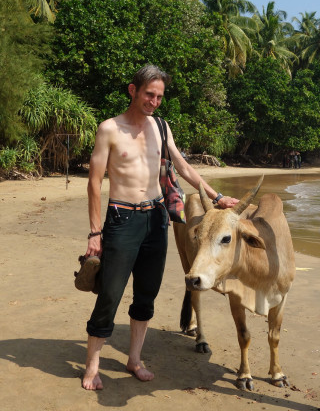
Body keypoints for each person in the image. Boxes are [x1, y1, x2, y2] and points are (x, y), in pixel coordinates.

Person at [82, 64, 239, 391]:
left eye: (159, 96)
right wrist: (95, 233)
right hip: (122, 219)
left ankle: (134, 359)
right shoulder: (109, 129)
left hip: (156, 219)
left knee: (146, 294)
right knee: (109, 293)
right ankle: (92, 366)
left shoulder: (162, 128)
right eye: (149, 94)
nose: (154, 101)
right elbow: (95, 183)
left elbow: (182, 166)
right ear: (133, 91)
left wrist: (217, 195)